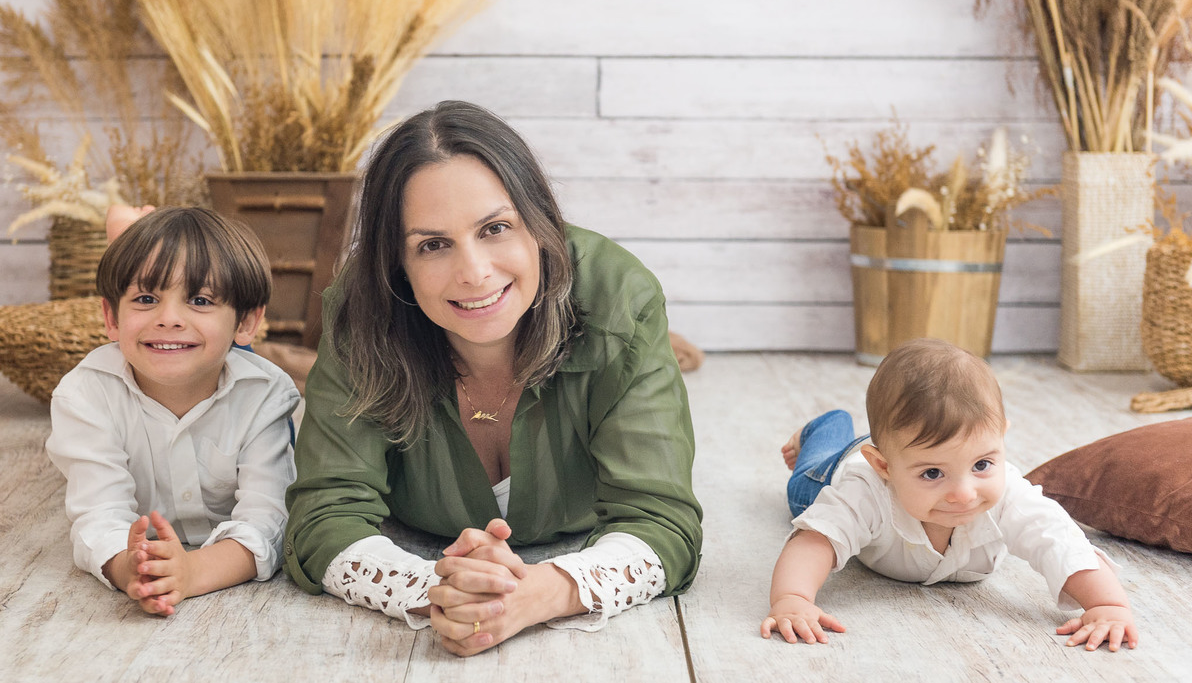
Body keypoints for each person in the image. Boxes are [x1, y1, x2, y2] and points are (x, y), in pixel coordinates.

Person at [284, 100, 703, 656]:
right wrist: (433, 591)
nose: (474, 272)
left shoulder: (621, 298)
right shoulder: (361, 312)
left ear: (540, 223)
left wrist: (540, 594)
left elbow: (661, 522)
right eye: (432, 245)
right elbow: (324, 514)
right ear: (396, 265)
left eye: (495, 228)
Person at [760, 338, 1137, 652]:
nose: (963, 493)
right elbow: (814, 541)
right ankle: (826, 426)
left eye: (981, 465)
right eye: (933, 473)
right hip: (835, 468)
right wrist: (792, 599)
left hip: (895, 450)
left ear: (1001, 438)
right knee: (803, 487)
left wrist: (1107, 605)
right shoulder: (864, 491)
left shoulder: (1009, 494)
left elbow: (1059, 540)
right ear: (885, 467)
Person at [46, 207, 300, 615]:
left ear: (247, 323)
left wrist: (193, 570)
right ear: (110, 318)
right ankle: (129, 239)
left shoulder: (264, 395)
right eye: (146, 299)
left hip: (214, 541)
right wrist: (133, 568)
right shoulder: (84, 396)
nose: (168, 320)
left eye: (200, 300)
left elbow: (270, 519)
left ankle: (131, 238)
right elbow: (99, 515)